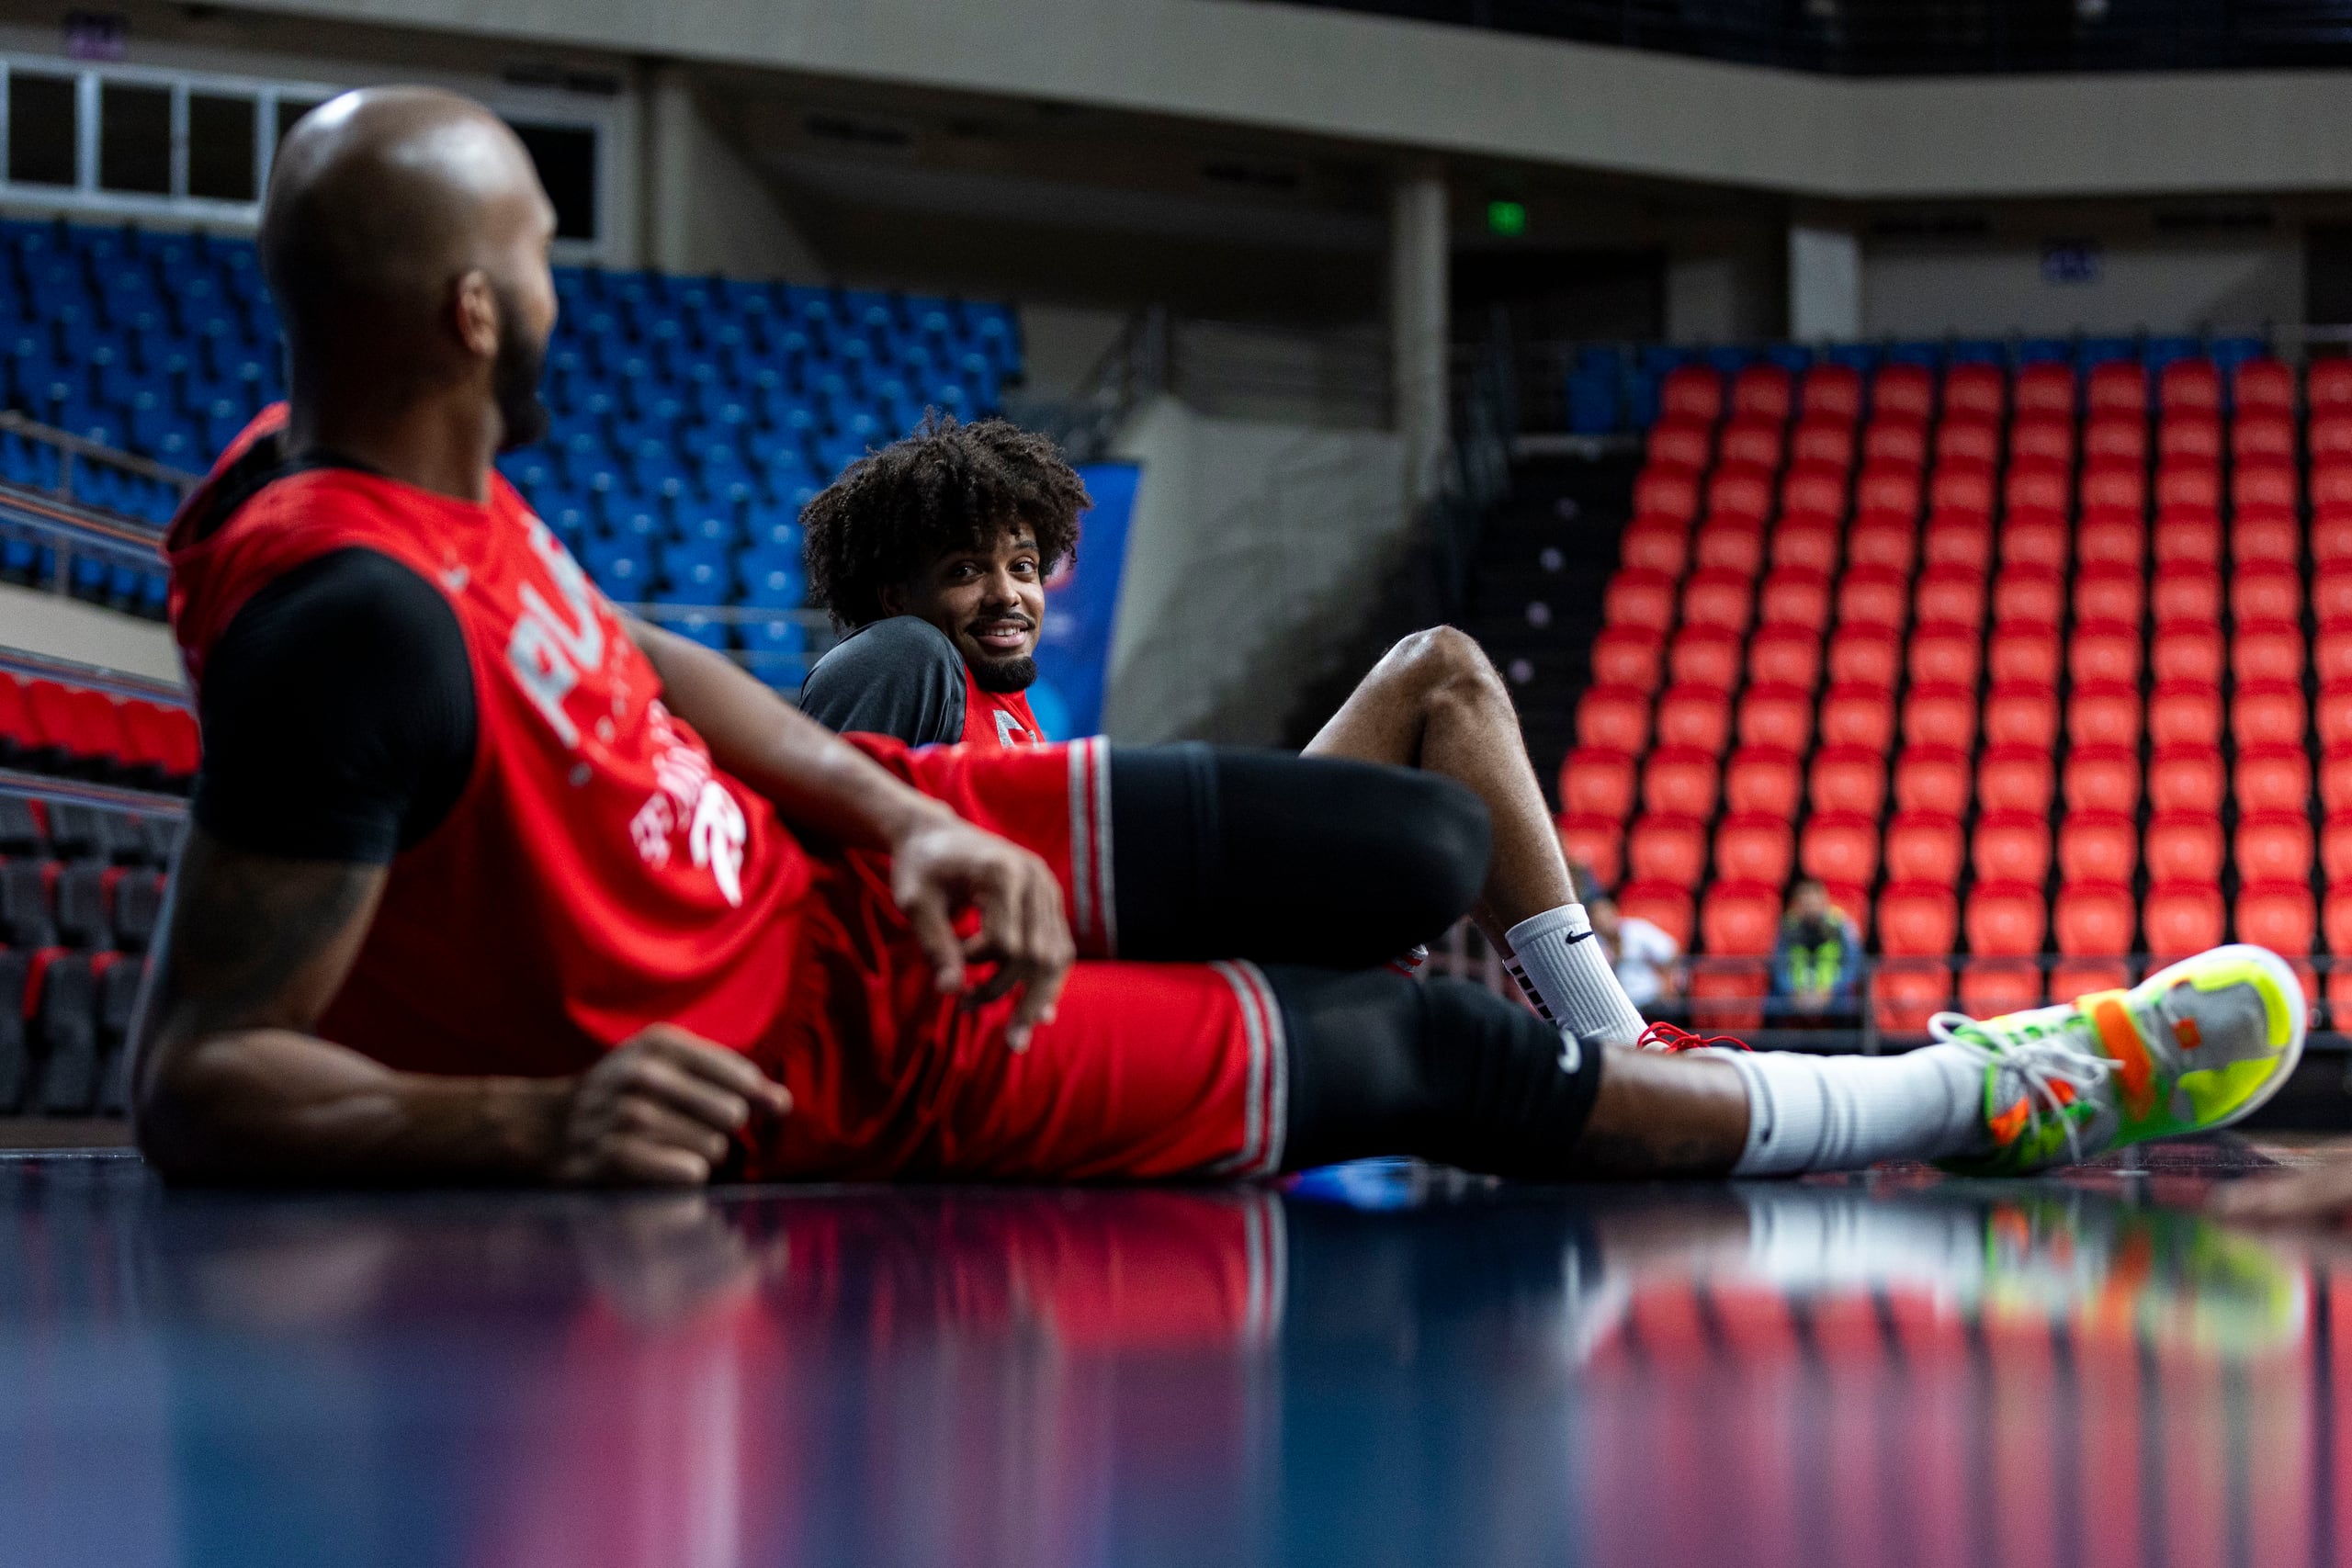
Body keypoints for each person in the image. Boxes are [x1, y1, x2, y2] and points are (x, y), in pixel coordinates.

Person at [130, 85, 2308, 1194]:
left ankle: (1632, 1063)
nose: (565, 289)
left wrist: (901, 819)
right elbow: (195, 1078)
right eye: (541, 248)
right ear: (472, 311)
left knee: (1413, 852)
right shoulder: (350, 621)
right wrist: (541, 1118)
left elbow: (645, 663)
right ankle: (1974, 1089)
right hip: (852, 1050)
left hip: (858, 877)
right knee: (1445, 1053)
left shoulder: (409, 471)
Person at [797, 417, 1644, 1041]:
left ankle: (1613, 1036)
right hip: (1102, 1012)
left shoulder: (1009, 709)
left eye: (1022, 566)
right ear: (895, 595)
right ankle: (1604, 1037)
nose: (1008, 594)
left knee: (1442, 676)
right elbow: (807, 893)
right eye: (965, 571)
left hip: (1163, 962)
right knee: (1439, 681)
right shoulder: (903, 654)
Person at [1769, 876, 1860, 1024]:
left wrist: (1831, 990)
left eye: (1814, 902)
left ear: (1824, 901)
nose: (1811, 908)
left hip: (1833, 992)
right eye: (1806, 903)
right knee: (1772, 1001)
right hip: (1795, 992)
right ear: (1798, 904)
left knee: (1850, 1003)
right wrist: (1791, 991)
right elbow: (1778, 966)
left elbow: (1853, 964)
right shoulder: (1787, 926)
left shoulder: (1840, 924)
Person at [1588, 894, 1681, 1014]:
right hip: (1613, 1003)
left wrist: (1667, 983)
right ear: (1591, 920)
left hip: (1649, 997)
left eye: (1606, 912)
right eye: (1597, 915)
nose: (1603, 919)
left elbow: (1670, 950)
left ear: (1614, 911)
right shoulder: (1591, 942)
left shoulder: (1637, 930)